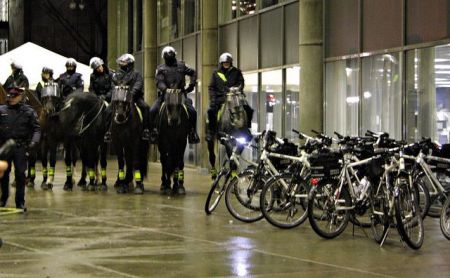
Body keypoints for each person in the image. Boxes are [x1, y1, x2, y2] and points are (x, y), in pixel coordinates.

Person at [0, 87, 41, 210]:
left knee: (20, 175)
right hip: (5, 146)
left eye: (14, 97)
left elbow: (36, 129)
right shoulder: (2, 109)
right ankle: (3, 199)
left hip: (20, 147)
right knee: (4, 174)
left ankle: (20, 202)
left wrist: (34, 141)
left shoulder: (28, 111)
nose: (11, 99)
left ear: (20, 97)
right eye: (9, 96)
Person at [149, 46, 200, 144]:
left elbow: (193, 72)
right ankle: (154, 132)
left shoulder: (182, 65)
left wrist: (191, 85)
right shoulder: (160, 68)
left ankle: (192, 132)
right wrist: (165, 89)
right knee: (152, 111)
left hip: (180, 94)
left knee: (192, 111)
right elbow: (159, 81)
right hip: (165, 95)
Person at [206, 52, 253, 142]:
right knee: (211, 111)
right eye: (225, 63)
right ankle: (211, 132)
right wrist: (213, 99)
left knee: (248, 109)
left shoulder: (237, 71)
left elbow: (241, 82)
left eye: (228, 63)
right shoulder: (216, 73)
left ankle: (247, 129)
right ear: (221, 63)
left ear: (231, 63)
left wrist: (237, 88)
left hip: (235, 97)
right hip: (221, 98)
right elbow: (211, 87)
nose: (226, 64)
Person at [104, 53, 150, 141]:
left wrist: (130, 95)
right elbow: (113, 86)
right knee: (108, 110)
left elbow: (138, 85)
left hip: (134, 98)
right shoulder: (116, 75)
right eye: (121, 62)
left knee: (146, 107)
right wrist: (117, 93)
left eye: (124, 62)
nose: (121, 64)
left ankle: (146, 130)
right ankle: (108, 131)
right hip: (119, 98)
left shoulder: (137, 74)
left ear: (130, 63)